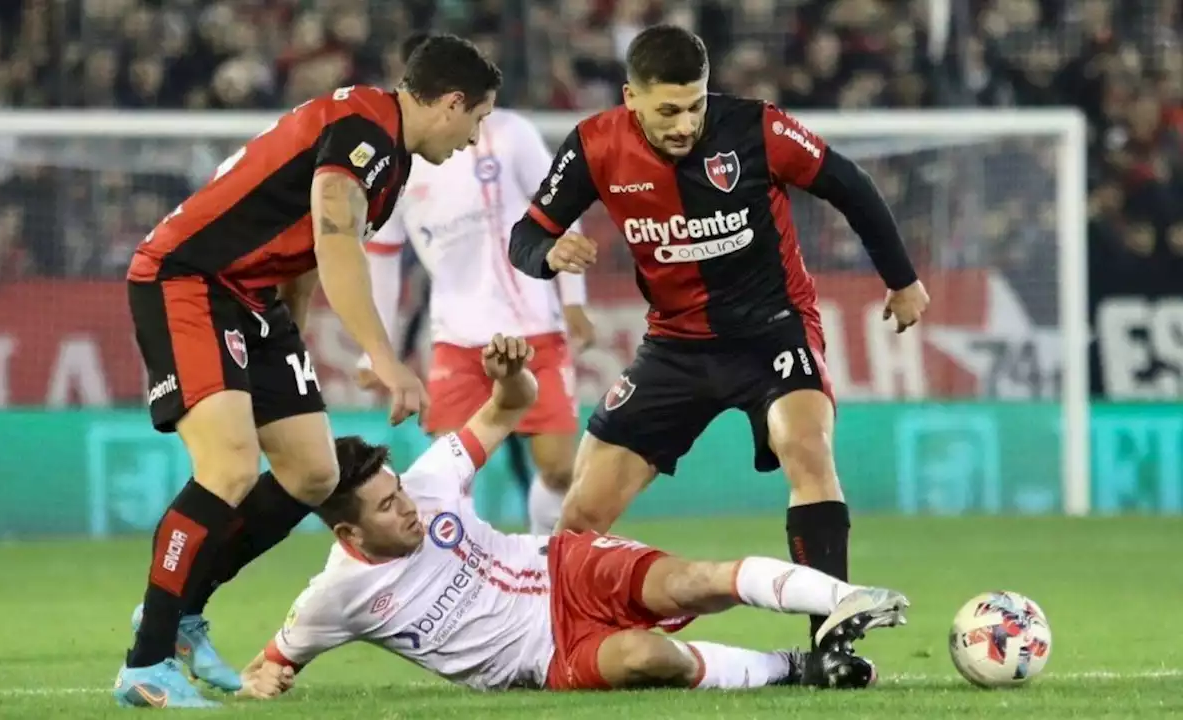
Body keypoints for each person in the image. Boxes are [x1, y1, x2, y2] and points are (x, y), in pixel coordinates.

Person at [507, 24, 930, 646]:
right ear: (631, 98)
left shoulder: (757, 128)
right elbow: (524, 235)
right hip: (674, 347)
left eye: (696, 105)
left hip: (773, 332)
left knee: (806, 450)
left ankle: (829, 643)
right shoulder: (595, 145)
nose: (684, 124)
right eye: (667, 110)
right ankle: (563, 640)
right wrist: (549, 253)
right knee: (580, 514)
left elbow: (850, 185)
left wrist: (902, 279)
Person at [115, 34, 503, 708]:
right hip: (190, 280)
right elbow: (333, 236)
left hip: (253, 300)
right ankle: (146, 662)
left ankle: (180, 617)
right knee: (230, 467)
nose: (474, 138)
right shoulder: (366, 134)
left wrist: (285, 340)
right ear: (451, 102)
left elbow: (296, 250)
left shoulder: (389, 152)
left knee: (313, 471)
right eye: (478, 119)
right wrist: (385, 359)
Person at [235, 335, 908, 700]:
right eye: (387, 506)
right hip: (547, 656)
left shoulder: (431, 479)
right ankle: (796, 670)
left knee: (691, 580)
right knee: (647, 658)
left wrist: (509, 380)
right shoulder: (335, 598)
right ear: (348, 533)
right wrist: (260, 682)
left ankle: (850, 600)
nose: (407, 506)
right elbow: (273, 663)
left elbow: (508, 409)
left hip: (565, 569)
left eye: (399, 491)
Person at [357, 35, 595, 535]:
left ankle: (544, 565)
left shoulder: (511, 135)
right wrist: (370, 351)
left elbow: (561, 210)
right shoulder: (396, 161)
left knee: (558, 467)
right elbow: (382, 255)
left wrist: (573, 300)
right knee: (448, 477)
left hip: (533, 326)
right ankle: (454, 589)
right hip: (457, 336)